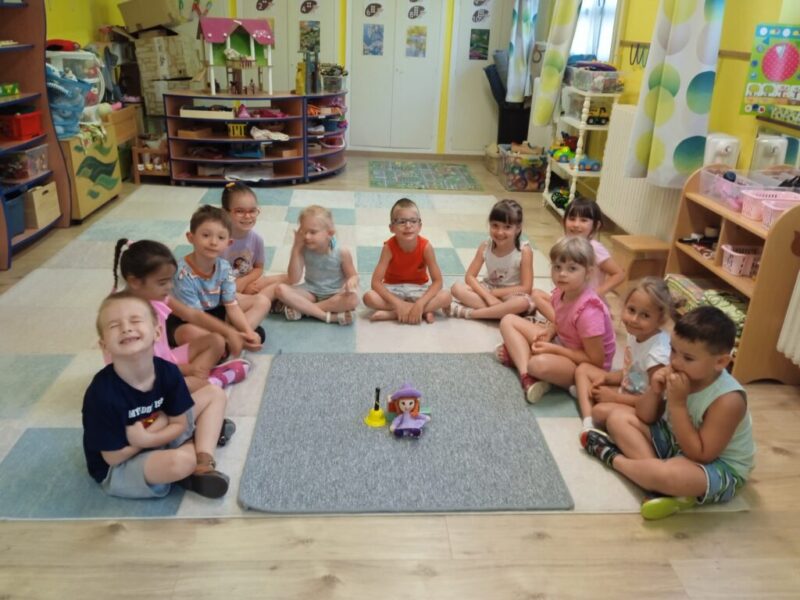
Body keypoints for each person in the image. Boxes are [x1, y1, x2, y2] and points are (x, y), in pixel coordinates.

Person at [582, 306, 755, 520]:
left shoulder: (728, 400)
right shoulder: (680, 372)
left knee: (668, 475)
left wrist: (678, 404)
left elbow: (701, 455)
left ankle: (612, 457)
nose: (675, 362)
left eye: (688, 358)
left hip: (717, 465)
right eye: (673, 350)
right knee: (617, 419)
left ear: (720, 362)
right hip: (677, 441)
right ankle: (656, 483)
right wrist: (655, 390)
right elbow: (645, 416)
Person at [83, 291, 232, 500]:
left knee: (214, 394)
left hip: (160, 432)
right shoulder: (101, 394)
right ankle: (199, 442)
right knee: (179, 462)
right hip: (123, 462)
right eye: (114, 325)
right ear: (104, 345)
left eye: (135, 320)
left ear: (157, 332)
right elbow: (112, 457)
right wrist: (143, 440)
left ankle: (203, 460)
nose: (126, 328)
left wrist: (153, 433)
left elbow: (178, 423)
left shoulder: (168, 372)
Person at [112, 239, 253, 392]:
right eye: (162, 282)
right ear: (135, 282)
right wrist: (187, 369)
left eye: (169, 280)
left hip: (167, 360)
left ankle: (200, 380)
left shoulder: (156, 297)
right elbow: (143, 367)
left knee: (216, 341)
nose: (170, 287)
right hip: (145, 375)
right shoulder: (125, 317)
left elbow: (192, 314)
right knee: (187, 388)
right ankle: (210, 381)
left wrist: (229, 332)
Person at [497, 237, 616, 403]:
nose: (562, 274)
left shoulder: (589, 311)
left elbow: (596, 361)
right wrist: (550, 331)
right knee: (508, 320)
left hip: (587, 367)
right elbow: (561, 321)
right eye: (557, 267)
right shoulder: (561, 292)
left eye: (572, 268)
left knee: (537, 364)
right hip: (565, 344)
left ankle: (524, 359)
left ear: (588, 272)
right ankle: (527, 377)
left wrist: (554, 350)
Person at [574, 277, 673, 440]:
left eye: (645, 315)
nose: (634, 319)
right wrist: (607, 378)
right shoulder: (636, 333)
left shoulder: (657, 355)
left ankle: (591, 412)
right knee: (583, 369)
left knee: (599, 411)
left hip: (646, 411)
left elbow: (654, 408)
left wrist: (614, 398)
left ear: (660, 319)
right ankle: (588, 423)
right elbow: (632, 371)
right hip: (629, 392)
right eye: (631, 310)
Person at [167, 205, 269, 350]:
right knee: (192, 333)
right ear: (191, 238)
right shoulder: (182, 273)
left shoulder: (225, 267)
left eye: (221, 237)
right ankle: (229, 340)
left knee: (262, 301)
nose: (213, 242)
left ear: (229, 243)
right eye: (206, 235)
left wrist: (248, 332)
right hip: (187, 320)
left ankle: (233, 340)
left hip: (216, 311)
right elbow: (195, 317)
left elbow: (231, 306)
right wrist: (233, 334)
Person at [363, 197, 451, 324]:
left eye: (413, 221)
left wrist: (421, 303)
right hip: (393, 289)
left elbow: (438, 282)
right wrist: (398, 303)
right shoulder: (388, 248)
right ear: (391, 228)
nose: (408, 226)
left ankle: (394, 313)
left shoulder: (426, 247)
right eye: (401, 221)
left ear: (420, 226)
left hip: (419, 289)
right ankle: (420, 311)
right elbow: (375, 283)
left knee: (446, 297)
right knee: (369, 297)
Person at [448, 199, 534, 320]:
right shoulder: (485, 246)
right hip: (488, 288)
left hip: (511, 294)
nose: (500, 232)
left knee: (522, 303)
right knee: (456, 288)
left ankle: (470, 313)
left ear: (518, 228)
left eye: (507, 227)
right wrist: (488, 296)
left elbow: (526, 288)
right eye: (495, 225)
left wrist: (494, 294)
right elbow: (470, 276)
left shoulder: (524, 251)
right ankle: (501, 312)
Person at [273, 204, 359, 325]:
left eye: (313, 232)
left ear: (330, 233)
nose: (307, 236)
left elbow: (354, 276)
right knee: (280, 290)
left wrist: (352, 281)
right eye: (304, 232)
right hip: (310, 292)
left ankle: (304, 310)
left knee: (353, 300)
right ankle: (327, 316)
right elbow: (293, 278)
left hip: (334, 294)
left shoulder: (342, 252)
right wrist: (296, 248)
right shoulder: (304, 249)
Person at [220, 182, 287, 308]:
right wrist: (234, 285)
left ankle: (265, 300)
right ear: (225, 212)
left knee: (287, 278)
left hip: (248, 282)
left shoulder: (257, 239)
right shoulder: (218, 240)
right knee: (232, 298)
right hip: (224, 288)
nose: (247, 216)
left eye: (252, 211)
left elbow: (259, 268)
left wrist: (244, 281)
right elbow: (210, 275)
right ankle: (266, 301)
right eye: (240, 211)